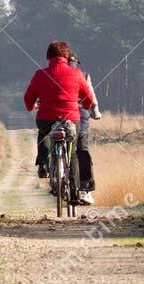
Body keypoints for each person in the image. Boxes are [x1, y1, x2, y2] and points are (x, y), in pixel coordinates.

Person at [22, 40, 97, 195]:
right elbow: (88, 97)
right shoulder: (76, 73)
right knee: (74, 151)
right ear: (66, 55)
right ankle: (75, 190)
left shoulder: (40, 74)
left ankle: (43, 164)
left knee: (43, 134)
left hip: (46, 118)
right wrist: (87, 106)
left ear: (48, 56)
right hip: (72, 119)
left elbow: (28, 98)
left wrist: (31, 107)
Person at [67, 52, 101, 205]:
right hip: (81, 120)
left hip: (60, 119)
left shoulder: (54, 75)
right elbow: (91, 97)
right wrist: (95, 113)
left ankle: (55, 174)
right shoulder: (83, 75)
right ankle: (85, 190)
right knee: (82, 152)